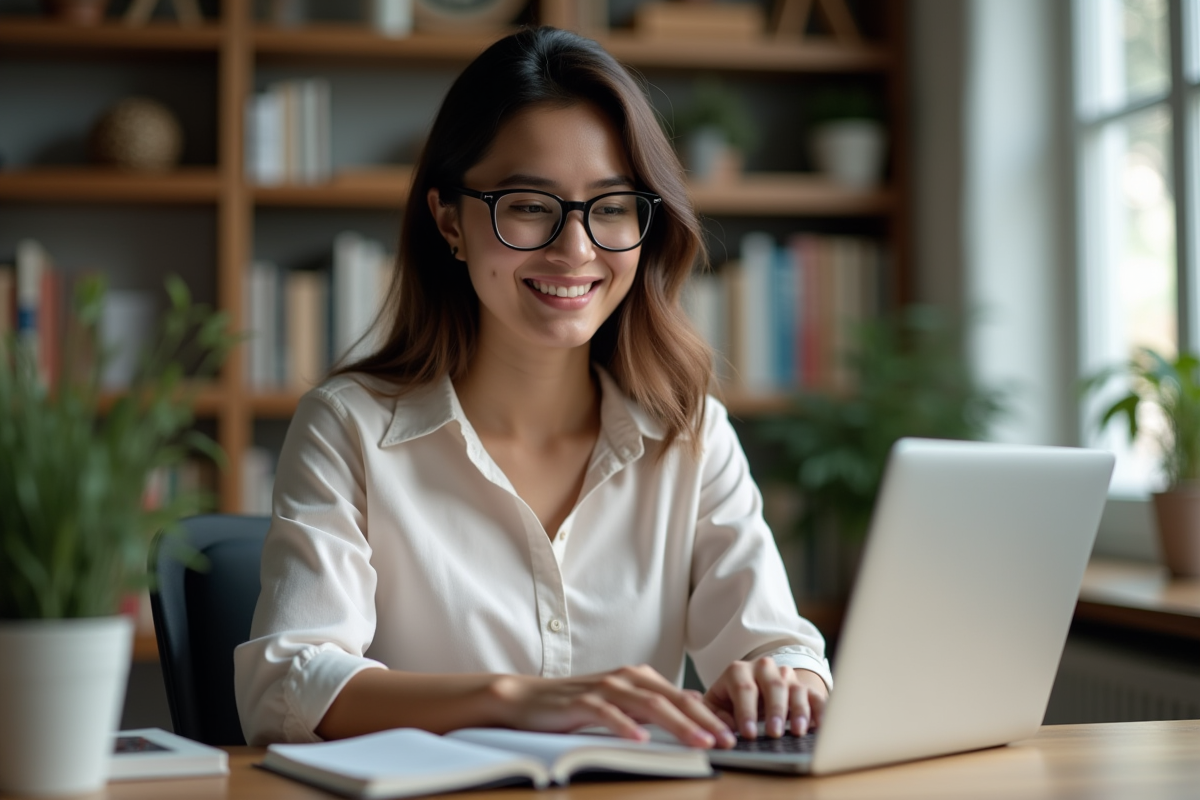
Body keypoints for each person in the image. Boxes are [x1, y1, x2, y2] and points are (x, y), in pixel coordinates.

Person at [234, 26, 831, 749]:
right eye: (527, 205)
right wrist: (517, 700)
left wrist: (785, 676)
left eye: (611, 208)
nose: (575, 249)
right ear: (449, 219)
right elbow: (285, 686)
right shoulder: (349, 429)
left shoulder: (689, 433)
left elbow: (775, 644)